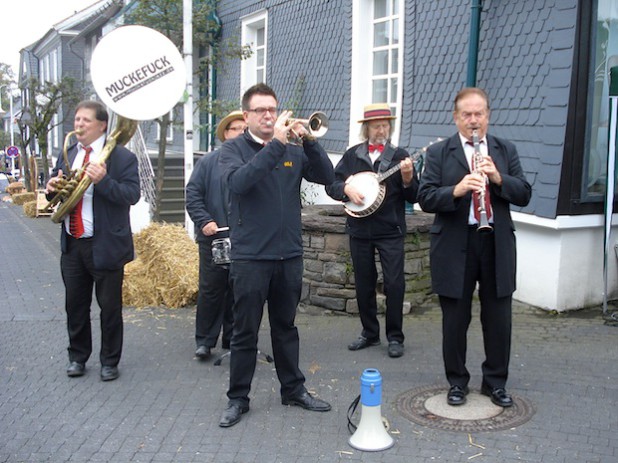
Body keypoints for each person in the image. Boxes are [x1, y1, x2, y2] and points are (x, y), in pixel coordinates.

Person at [218, 83, 334, 427]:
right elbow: (240, 183)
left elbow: (327, 178)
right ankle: (238, 398)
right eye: (261, 110)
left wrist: (310, 142)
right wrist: (277, 144)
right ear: (247, 116)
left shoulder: (294, 149)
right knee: (245, 332)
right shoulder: (233, 150)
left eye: (273, 109)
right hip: (251, 257)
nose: (269, 115)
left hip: (288, 255)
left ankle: (293, 390)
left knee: (286, 327)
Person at [417, 88, 531, 407]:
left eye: (479, 113)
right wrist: (455, 190)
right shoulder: (440, 152)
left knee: (498, 318)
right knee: (455, 319)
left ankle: (495, 382)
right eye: (466, 114)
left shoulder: (504, 150)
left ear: (488, 116)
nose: (473, 120)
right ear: (456, 117)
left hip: (495, 242)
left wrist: (497, 178)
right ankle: (457, 382)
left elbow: (524, 193)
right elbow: (425, 198)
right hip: (455, 242)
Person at [45, 100, 140, 382]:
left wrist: (104, 181)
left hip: (106, 245)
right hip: (73, 244)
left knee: (109, 308)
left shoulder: (122, 158)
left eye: (85, 120)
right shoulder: (68, 153)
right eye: (76, 119)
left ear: (102, 125)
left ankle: (109, 361)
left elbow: (131, 195)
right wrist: (51, 189)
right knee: (75, 306)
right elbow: (58, 190)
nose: (78, 125)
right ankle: (77, 357)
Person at [325, 103, 418, 358]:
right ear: (366, 129)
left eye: (386, 125)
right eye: (377, 125)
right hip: (360, 228)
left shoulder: (400, 156)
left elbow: (414, 194)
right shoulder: (353, 155)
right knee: (364, 283)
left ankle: (395, 337)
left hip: (391, 229)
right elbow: (331, 185)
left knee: (395, 284)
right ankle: (369, 333)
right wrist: (346, 189)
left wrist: (409, 178)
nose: (382, 130)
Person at [185, 110, 246, 360]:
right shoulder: (208, 162)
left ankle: (232, 339)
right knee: (211, 290)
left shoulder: (252, 161)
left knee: (237, 290)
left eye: (245, 129)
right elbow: (193, 195)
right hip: (214, 237)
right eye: (235, 129)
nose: (241, 133)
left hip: (243, 238)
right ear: (225, 134)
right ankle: (205, 340)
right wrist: (204, 221)